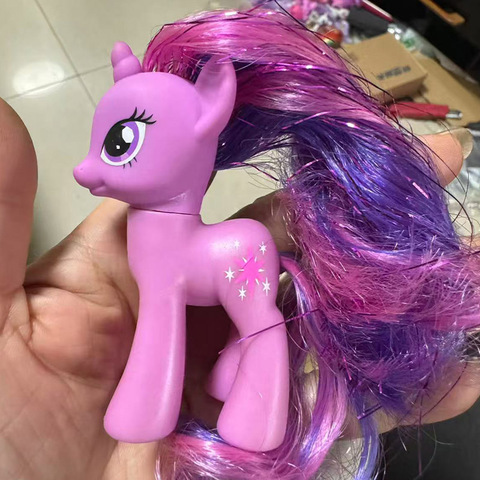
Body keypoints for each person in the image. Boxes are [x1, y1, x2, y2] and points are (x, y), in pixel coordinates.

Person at [0, 96, 478, 480]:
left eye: (122, 142)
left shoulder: (233, 242)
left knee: (257, 325)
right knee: (172, 321)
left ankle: (252, 409)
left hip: (235, 262)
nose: (86, 168)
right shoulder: (147, 236)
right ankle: (189, 393)